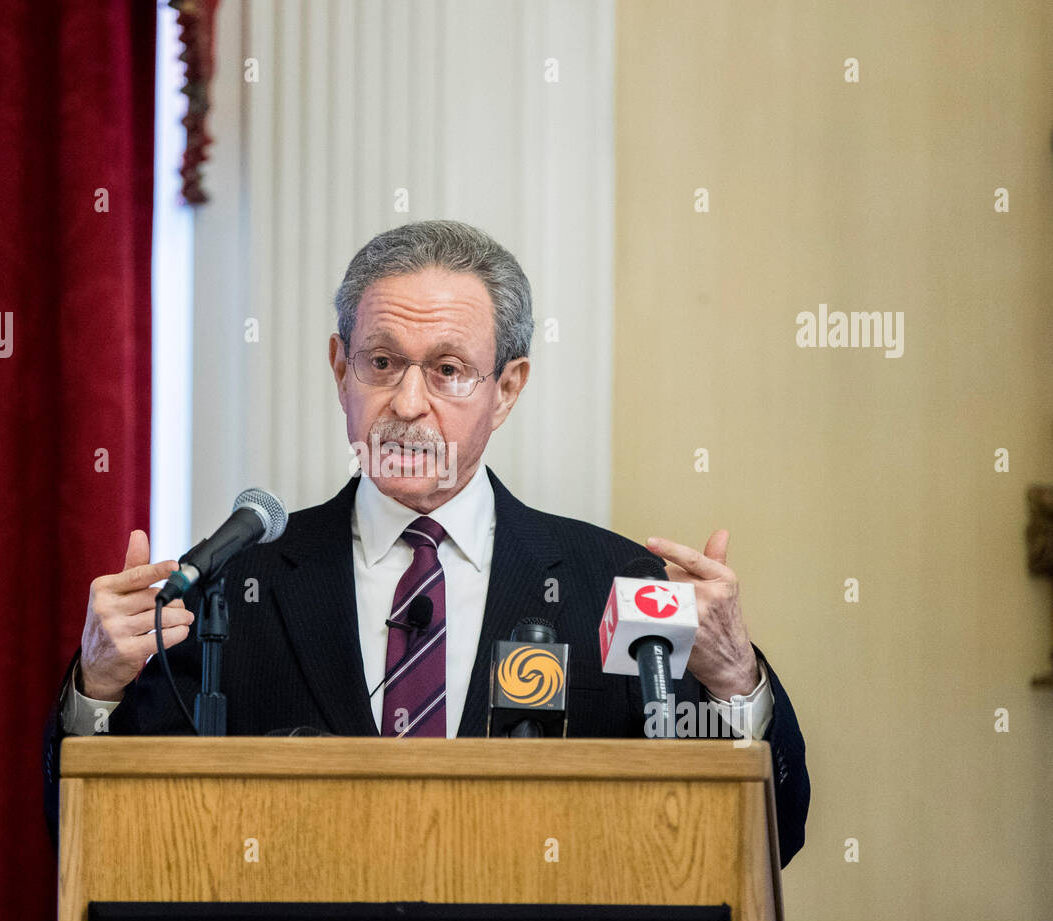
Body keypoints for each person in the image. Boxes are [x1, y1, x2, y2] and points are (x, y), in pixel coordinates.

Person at [42, 220, 809, 866]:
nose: (407, 404)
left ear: (507, 388)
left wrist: (734, 683)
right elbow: (102, 838)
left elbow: (769, 838)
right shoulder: (225, 591)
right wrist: (99, 689)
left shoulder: (617, 587)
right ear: (341, 368)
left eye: (448, 371)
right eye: (381, 363)